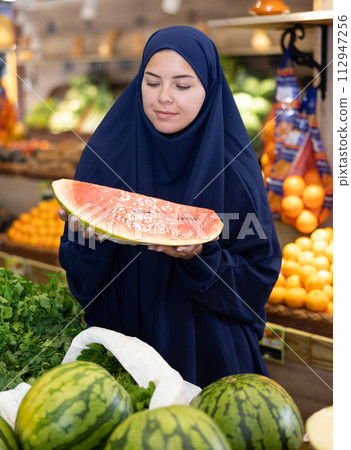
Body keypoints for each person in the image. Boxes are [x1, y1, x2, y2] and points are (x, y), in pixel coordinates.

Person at [59, 25, 282, 388]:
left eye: (182, 85)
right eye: (151, 82)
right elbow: (81, 281)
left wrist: (203, 257)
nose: (164, 97)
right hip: (123, 346)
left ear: (208, 89)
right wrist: (86, 243)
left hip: (209, 352)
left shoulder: (235, 168)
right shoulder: (104, 158)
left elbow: (257, 279)